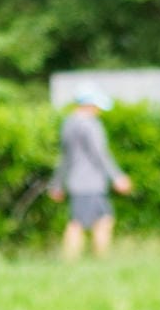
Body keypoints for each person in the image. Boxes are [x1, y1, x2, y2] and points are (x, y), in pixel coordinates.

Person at [48, 87, 132, 261]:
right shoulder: (89, 124)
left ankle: (99, 260)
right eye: (97, 106)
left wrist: (57, 183)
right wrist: (117, 177)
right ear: (88, 105)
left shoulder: (68, 123)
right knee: (78, 223)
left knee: (104, 219)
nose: (99, 111)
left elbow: (65, 158)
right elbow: (100, 153)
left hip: (77, 182)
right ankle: (72, 262)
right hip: (89, 182)